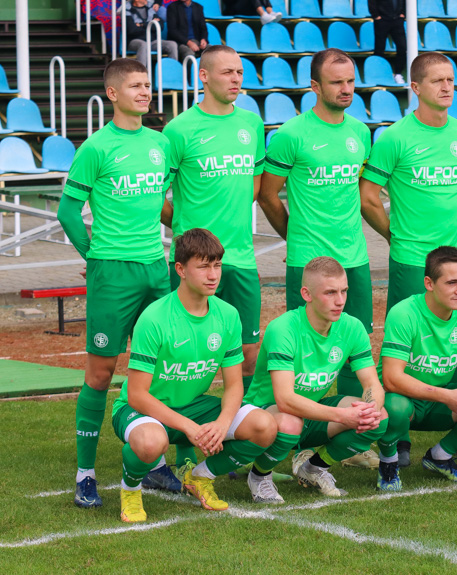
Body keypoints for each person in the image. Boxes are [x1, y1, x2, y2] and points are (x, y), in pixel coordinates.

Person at [58, 59, 174, 509]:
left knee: (159, 366)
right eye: (135, 86)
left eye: (147, 85)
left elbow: (161, 203)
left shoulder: (160, 144)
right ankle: (85, 472)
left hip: (156, 268)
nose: (145, 92)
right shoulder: (96, 147)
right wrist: (96, 258)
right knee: (101, 373)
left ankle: (155, 460)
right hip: (112, 272)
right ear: (112, 94)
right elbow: (69, 212)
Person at [359, 51, 457, 465]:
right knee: (408, 349)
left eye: (451, 80)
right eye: (437, 81)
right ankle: (401, 433)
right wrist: (396, 237)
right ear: (416, 88)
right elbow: (368, 197)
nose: (447, 87)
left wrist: (451, 226)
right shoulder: (395, 137)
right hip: (413, 261)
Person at [111, 229, 277, 522]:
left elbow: (235, 385)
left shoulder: (227, 315)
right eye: (203, 266)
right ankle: (131, 489)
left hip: (193, 405)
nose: (213, 275)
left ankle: (200, 477)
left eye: (217, 265)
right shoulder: (154, 318)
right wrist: (191, 428)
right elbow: (137, 394)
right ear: (181, 270)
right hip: (140, 408)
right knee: (151, 442)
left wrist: (222, 423)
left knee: (264, 425)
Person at [162, 45, 265, 468]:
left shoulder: (252, 123)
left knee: (250, 354)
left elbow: (256, 183)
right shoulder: (179, 130)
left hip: (241, 259)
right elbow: (157, 197)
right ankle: (175, 443)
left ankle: (252, 441)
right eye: (227, 72)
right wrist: (187, 234)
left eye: (240, 72)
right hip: (194, 265)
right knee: (184, 357)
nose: (236, 79)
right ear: (204, 77)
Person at [258, 48, 373, 409]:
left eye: (350, 81)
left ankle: (351, 433)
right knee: (305, 353)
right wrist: (292, 233)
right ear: (314, 86)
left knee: (358, 347)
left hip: (355, 257)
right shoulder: (291, 134)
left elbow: (357, 188)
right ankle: (299, 430)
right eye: (336, 82)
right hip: (308, 260)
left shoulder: (360, 131)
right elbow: (267, 194)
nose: (346, 89)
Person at [244, 257, 387, 501]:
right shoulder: (284, 329)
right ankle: (259, 476)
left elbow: (372, 383)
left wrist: (370, 408)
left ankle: (315, 467)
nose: (340, 301)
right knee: (290, 422)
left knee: (379, 418)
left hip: (308, 414)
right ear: (306, 294)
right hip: (264, 416)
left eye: (343, 291)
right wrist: (343, 416)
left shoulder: (352, 327)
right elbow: (285, 400)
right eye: (330, 292)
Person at [377, 247, 457, 491]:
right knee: (394, 407)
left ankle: (439, 456)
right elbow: (392, 378)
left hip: (439, 401)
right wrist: (447, 396)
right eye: (451, 282)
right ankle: (388, 463)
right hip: (404, 400)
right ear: (429, 283)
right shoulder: (404, 313)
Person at [126, 0, 180, 67]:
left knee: (172, 44)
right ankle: (142, 74)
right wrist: (151, 26)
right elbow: (132, 30)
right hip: (135, 41)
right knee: (143, 45)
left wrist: (142, 25)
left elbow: (160, 26)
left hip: (152, 41)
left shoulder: (150, 9)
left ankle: (172, 72)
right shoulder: (127, 10)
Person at [368, 0, 406, 84]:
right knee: (379, 49)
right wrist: (376, 16)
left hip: (397, 21)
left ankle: (398, 74)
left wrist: (403, 13)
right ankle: (378, 75)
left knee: (402, 47)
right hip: (382, 21)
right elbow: (371, 2)